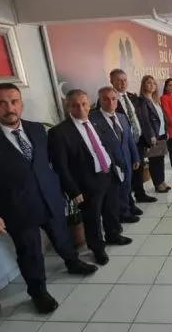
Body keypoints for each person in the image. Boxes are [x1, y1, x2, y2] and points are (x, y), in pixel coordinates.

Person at [0, 83, 97, 314]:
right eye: (2, 103)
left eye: (14, 102)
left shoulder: (37, 130)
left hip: (51, 198)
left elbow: (50, 164)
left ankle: (73, 262)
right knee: (30, 253)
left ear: (21, 104)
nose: (9, 108)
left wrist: (67, 190)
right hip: (18, 209)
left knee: (62, 236)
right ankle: (38, 292)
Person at [49, 89, 132, 267]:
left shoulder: (95, 121)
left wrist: (115, 165)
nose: (80, 108)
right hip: (87, 181)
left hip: (108, 173)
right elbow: (61, 166)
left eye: (84, 104)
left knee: (111, 208)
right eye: (75, 105)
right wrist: (73, 190)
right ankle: (97, 248)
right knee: (92, 217)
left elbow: (105, 145)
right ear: (68, 107)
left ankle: (113, 234)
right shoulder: (60, 132)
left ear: (89, 105)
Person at [90, 86, 141, 224]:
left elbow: (129, 140)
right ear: (100, 100)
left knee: (127, 186)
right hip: (110, 163)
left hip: (126, 159)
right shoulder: (93, 120)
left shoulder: (122, 117)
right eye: (105, 99)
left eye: (113, 99)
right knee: (115, 192)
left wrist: (135, 157)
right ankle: (122, 214)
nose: (110, 102)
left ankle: (127, 209)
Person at [108, 68, 156, 204]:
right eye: (119, 80)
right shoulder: (109, 100)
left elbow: (142, 118)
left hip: (138, 140)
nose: (123, 83)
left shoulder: (132, 97)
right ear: (111, 81)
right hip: (123, 143)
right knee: (127, 172)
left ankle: (140, 194)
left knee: (138, 168)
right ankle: (128, 201)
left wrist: (149, 135)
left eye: (125, 80)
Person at [137, 75, 171, 193]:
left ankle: (162, 181)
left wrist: (166, 131)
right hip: (153, 135)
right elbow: (145, 120)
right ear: (143, 85)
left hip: (161, 133)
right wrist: (151, 135)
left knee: (160, 159)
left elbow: (162, 117)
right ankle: (157, 184)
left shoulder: (156, 100)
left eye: (154, 83)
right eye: (149, 83)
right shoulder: (142, 101)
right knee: (154, 160)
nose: (152, 85)